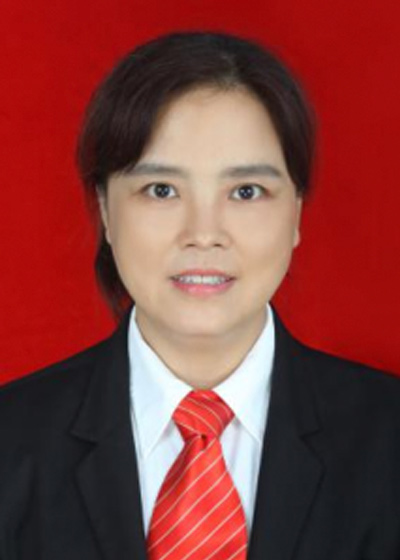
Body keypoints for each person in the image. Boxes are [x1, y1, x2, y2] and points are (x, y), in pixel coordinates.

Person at [0, 30, 399, 560]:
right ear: (105, 210)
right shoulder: (11, 442)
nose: (204, 234)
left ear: (297, 211)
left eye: (246, 192)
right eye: (161, 190)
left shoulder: (388, 441)